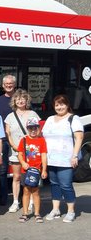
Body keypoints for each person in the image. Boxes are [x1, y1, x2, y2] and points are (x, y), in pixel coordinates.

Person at [42, 95, 84, 223]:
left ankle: (71, 211)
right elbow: (42, 136)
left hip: (66, 159)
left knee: (66, 185)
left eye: (62, 104)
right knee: (54, 185)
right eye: (56, 105)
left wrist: (75, 155)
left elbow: (79, 138)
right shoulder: (49, 119)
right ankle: (56, 209)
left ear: (67, 105)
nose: (59, 107)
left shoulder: (73, 119)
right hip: (51, 158)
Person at [4, 89, 40, 213]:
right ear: (14, 101)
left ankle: (30, 201)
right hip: (15, 151)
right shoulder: (9, 117)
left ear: (26, 100)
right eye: (18, 98)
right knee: (17, 177)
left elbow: (37, 132)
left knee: (29, 176)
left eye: (22, 98)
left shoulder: (33, 114)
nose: (20, 101)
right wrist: (14, 146)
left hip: (31, 152)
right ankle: (15, 202)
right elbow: (8, 134)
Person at [17, 117, 48, 223]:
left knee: (36, 192)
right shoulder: (24, 140)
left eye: (35, 128)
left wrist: (44, 170)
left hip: (37, 171)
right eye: (31, 128)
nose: (33, 130)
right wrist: (23, 163)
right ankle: (25, 213)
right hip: (26, 170)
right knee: (26, 191)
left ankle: (37, 213)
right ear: (27, 129)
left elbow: (44, 155)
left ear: (38, 128)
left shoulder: (42, 140)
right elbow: (20, 154)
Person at [0, 74, 16, 206]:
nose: (8, 85)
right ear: (3, 85)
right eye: (6, 84)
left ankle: (24, 196)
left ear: (14, 84)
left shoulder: (19, 99)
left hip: (18, 139)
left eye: (11, 83)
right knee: (3, 170)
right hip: (4, 139)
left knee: (20, 170)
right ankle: (3, 196)